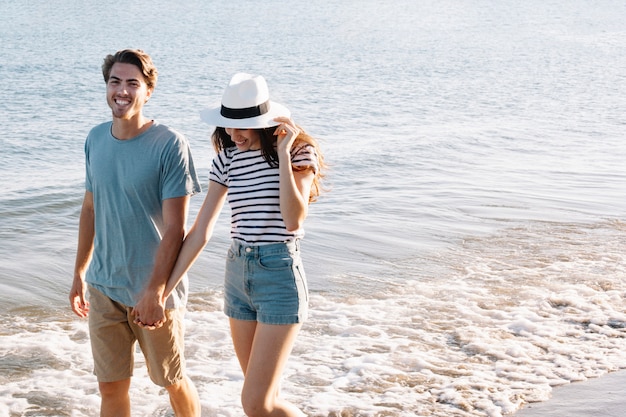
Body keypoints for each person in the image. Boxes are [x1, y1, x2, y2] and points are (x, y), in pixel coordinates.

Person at [151, 72, 326, 416]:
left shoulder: (298, 153)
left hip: (278, 275)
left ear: (263, 122)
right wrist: (163, 291)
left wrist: (283, 150)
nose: (232, 134)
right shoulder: (227, 160)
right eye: (228, 125)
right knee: (260, 402)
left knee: (256, 403)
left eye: (242, 126)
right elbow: (200, 231)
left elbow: (293, 219)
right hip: (236, 274)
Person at [69, 48, 202, 417]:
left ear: (148, 91)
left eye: (132, 83)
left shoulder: (169, 144)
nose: (121, 91)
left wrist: (155, 291)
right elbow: (90, 209)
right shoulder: (95, 139)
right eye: (115, 82)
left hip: (153, 291)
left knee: (171, 381)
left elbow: (175, 229)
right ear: (106, 86)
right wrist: (79, 273)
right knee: (110, 387)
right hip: (104, 287)